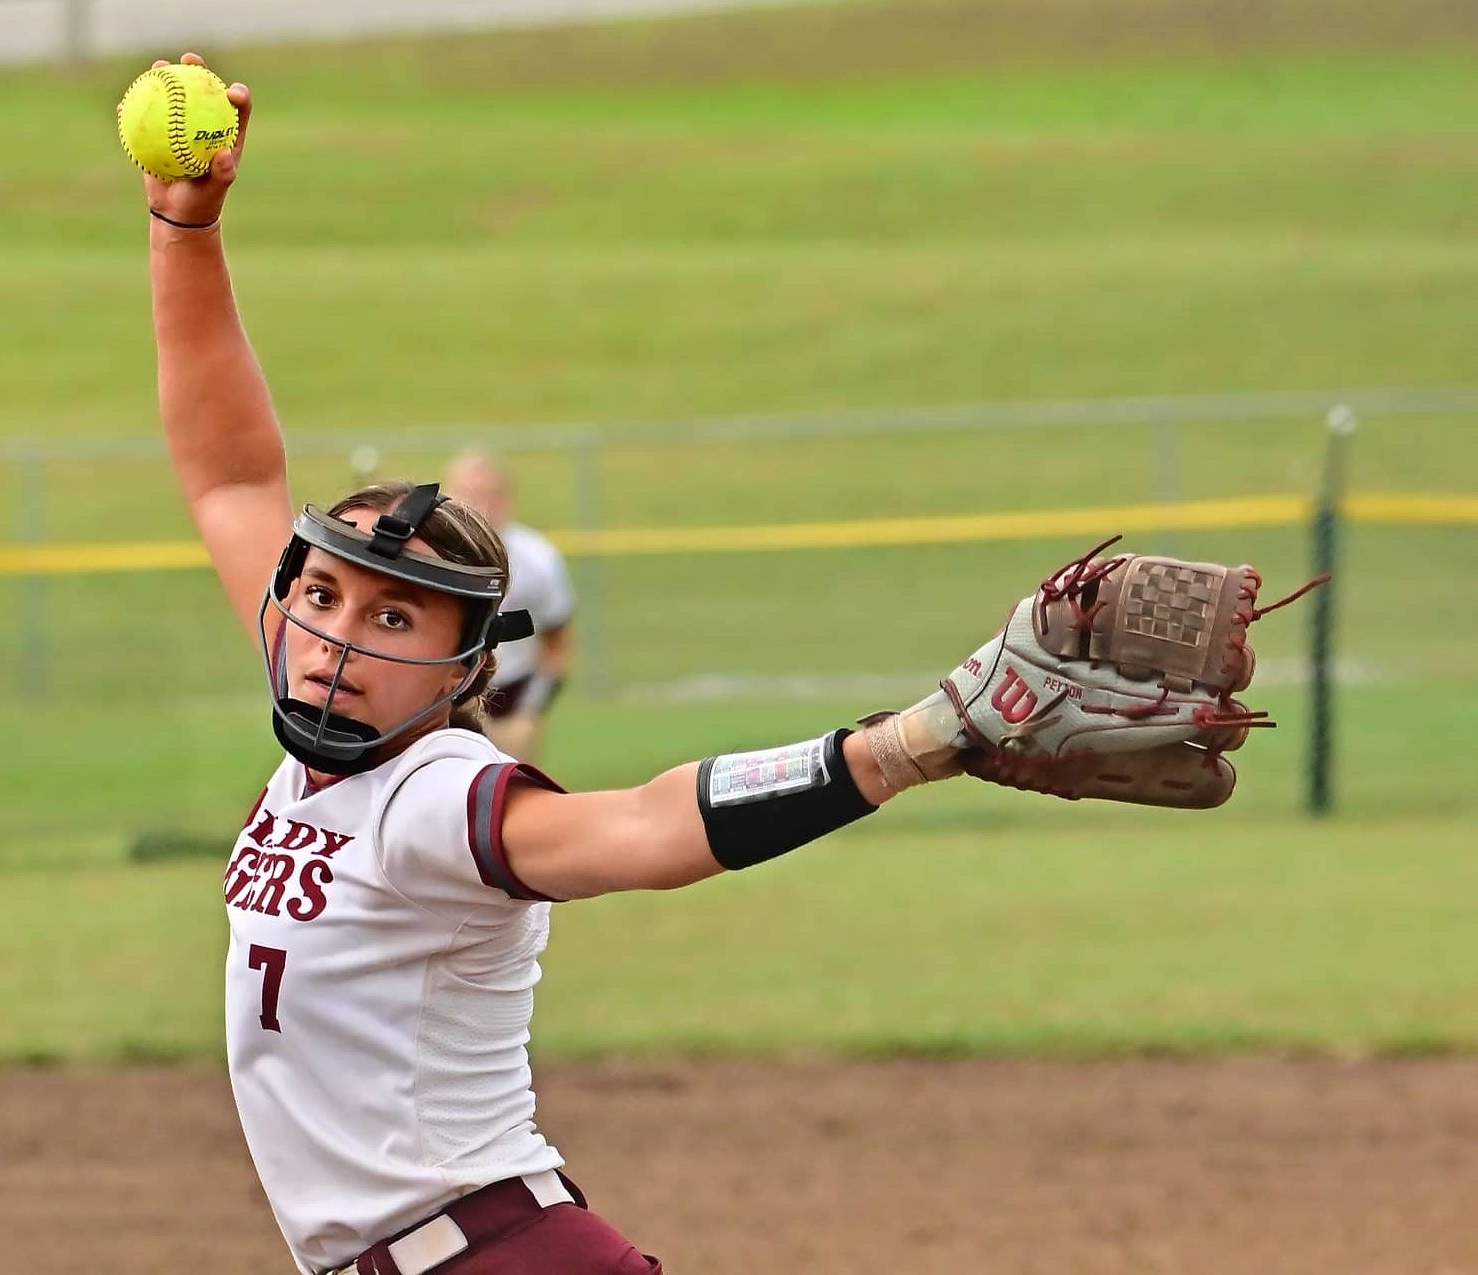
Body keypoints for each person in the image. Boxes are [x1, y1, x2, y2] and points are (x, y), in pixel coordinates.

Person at [141, 52, 1291, 1275]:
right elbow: (226, 475)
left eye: (392, 620)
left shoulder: (436, 797)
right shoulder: (321, 695)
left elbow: (641, 830)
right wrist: (185, 228)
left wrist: (898, 747)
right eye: (320, 596)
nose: (332, 639)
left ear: (461, 667)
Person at [442, 450, 573, 763]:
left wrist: (529, 713)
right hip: (447, 696)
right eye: (469, 494)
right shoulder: (428, 558)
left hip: (511, 696)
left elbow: (558, 647)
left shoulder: (538, 560)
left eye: (491, 495)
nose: (481, 506)